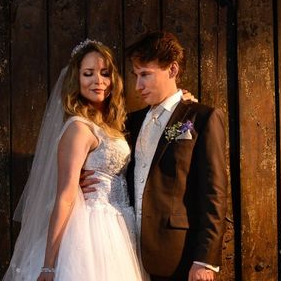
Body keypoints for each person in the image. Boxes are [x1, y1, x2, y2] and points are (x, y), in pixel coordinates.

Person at [84, 31, 228, 281]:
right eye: (136, 75)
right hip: (125, 251)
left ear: (172, 70)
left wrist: (205, 260)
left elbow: (213, 193)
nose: (138, 85)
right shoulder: (130, 122)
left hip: (177, 254)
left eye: (145, 75)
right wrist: (81, 180)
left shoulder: (201, 118)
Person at [3, 39, 145, 281]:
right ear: (76, 79)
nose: (98, 81)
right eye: (88, 74)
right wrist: (49, 265)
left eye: (104, 73)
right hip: (90, 230)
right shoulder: (78, 128)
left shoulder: (111, 124)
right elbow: (65, 196)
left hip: (120, 223)